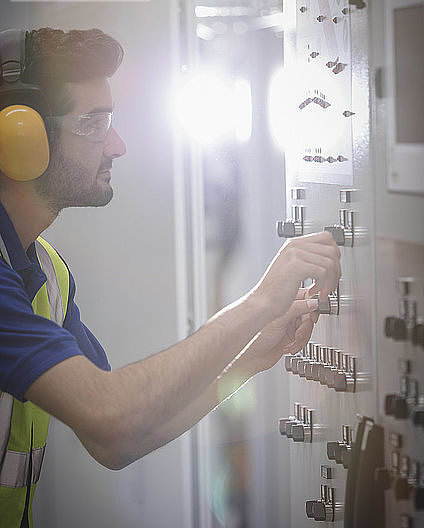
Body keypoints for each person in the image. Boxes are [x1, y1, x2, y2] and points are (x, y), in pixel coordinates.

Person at [0, 27, 341, 527]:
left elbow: (116, 441)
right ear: (19, 138)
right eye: (94, 125)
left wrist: (252, 359)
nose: (117, 145)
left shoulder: (45, 270)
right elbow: (111, 414)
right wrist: (260, 303)